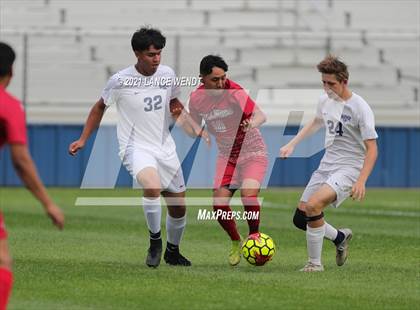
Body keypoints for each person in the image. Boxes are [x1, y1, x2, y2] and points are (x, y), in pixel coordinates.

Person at [68, 27, 200, 268]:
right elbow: (99, 107)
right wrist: (83, 139)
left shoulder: (167, 74)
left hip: (164, 148)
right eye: (151, 54)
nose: (157, 59)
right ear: (137, 53)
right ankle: (155, 242)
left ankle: (172, 251)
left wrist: (191, 126)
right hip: (135, 147)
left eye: (159, 53)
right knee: (152, 186)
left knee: (179, 207)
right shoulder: (120, 81)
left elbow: (174, 104)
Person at [279, 55, 378, 272]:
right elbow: (316, 122)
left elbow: (372, 149)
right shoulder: (324, 100)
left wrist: (361, 180)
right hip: (328, 164)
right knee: (300, 218)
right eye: (323, 82)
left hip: (350, 168)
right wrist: (292, 144)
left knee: (314, 206)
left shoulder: (360, 107)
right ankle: (340, 237)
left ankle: (314, 264)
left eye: (331, 83)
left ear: (344, 81)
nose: (326, 88)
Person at [0, 42, 65, 310]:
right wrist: (48, 203)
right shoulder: (8, 106)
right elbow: (21, 161)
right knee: (2, 262)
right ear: (11, 71)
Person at [187, 55, 268, 266]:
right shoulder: (196, 99)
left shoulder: (235, 92)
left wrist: (251, 123)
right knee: (219, 205)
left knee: (248, 196)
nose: (221, 83)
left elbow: (261, 115)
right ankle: (236, 241)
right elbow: (193, 126)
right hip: (227, 156)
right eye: (215, 79)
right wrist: (197, 131)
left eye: (223, 77)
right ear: (202, 79)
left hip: (252, 151)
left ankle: (254, 238)